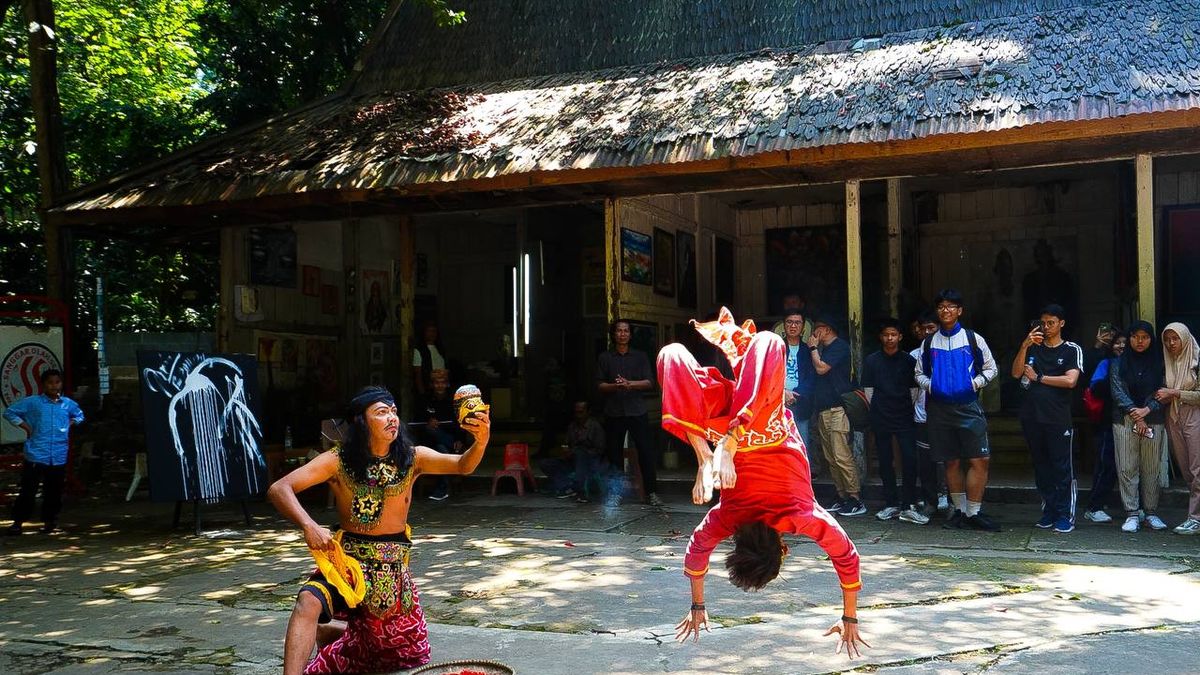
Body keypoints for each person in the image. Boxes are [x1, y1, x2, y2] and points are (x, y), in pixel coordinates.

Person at [658, 309, 867, 658]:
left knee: (770, 342)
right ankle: (703, 452)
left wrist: (850, 616)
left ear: (782, 549)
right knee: (672, 356)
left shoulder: (802, 518)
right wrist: (698, 605)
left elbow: (848, 558)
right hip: (731, 428)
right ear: (737, 545)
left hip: (749, 425)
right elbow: (696, 555)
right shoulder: (728, 518)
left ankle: (708, 455)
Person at [267, 386, 490, 674]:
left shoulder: (414, 457)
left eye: (394, 411)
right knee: (308, 601)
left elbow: (462, 465)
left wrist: (481, 441)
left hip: (392, 571)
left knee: (399, 655)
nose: (392, 418)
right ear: (362, 421)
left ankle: (330, 631)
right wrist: (308, 525)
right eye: (382, 412)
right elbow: (279, 488)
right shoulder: (338, 460)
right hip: (348, 566)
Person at [915, 289, 1000, 532]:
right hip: (939, 409)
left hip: (968, 406)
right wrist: (932, 385)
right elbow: (918, 372)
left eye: (951, 306)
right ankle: (960, 512)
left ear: (960, 311)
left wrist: (974, 384)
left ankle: (974, 512)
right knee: (950, 462)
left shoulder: (974, 339)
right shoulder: (929, 342)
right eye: (941, 306)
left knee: (980, 459)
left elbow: (990, 368)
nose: (946, 310)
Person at [1010, 304, 1083, 533]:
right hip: (1032, 416)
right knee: (1041, 467)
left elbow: (1071, 381)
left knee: (1062, 467)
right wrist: (1025, 344)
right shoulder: (1034, 347)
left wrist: (1040, 377)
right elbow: (1015, 373)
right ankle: (1049, 510)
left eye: (1051, 323)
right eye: (1043, 323)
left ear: (1061, 323)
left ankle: (1065, 514)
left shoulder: (1071, 350)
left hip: (1057, 417)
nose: (1047, 327)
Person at [3, 369, 84, 535]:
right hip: (36, 453)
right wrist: (25, 426)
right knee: (28, 490)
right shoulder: (34, 402)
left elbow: (79, 415)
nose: (54, 386)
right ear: (43, 385)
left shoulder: (68, 403)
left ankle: (50, 521)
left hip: (58, 454)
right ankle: (18, 522)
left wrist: (71, 423)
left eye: (57, 382)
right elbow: (9, 412)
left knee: (53, 490)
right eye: (50, 382)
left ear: (61, 384)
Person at [862, 318, 927, 525]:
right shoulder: (872, 361)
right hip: (880, 415)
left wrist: (902, 407)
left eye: (894, 334)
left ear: (900, 337)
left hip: (904, 415)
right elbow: (869, 390)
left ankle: (908, 504)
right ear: (881, 337)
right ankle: (890, 503)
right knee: (884, 460)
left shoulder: (909, 361)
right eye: (886, 334)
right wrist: (879, 408)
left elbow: (914, 391)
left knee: (909, 459)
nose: (890, 338)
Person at [1110, 321, 1168, 533]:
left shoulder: (1160, 363)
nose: (1139, 341)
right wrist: (1137, 414)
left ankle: (1151, 513)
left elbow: (1163, 391)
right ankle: (1132, 513)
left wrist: (1147, 410)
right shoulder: (1118, 363)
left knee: (1151, 467)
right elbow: (1117, 392)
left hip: (1154, 419)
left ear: (1151, 339)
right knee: (1126, 467)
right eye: (1135, 336)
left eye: (1144, 337)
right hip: (1125, 420)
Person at [596, 319, 660, 507]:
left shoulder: (640, 357)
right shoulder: (605, 358)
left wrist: (630, 384)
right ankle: (615, 495)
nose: (622, 334)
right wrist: (616, 386)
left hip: (637, 410)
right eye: (619, 331)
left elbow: (650, 382)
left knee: (646, 452)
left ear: (630, 335)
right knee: (613, 455)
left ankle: (652, 493)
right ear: (613, 334)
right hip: (614, 412)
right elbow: (599, 385)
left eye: (626, 331)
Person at [809, 316, 865, 517]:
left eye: (817, 328)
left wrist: (813, 349)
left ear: (827, 329)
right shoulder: (826, 349)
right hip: (824, 409)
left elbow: (821, 368)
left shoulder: (839, 347)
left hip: (839, 409)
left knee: (842, 455)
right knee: (830, 457)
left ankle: (855, 497)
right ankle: (841, 495)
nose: (814, 333)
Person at [1155, 323, 1200, 535]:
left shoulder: (1197, 360)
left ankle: (1195, 518)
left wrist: (1174, 393)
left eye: (1175, 338)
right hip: (1173, 417)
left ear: (1185, 338)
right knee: (1186, 470)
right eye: (1167, 339)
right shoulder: (1165, 362)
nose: (1171, 343)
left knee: (1197, 469)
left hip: (1195, 416)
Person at [1082, 332, 1125, 523]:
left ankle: (1138, 508)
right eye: (1117, 343)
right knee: (1106, 465)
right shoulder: (1105, 363)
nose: (1121, 346)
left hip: (1133, 421)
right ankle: (1094, 506)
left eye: (1125, 343)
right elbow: (1095, 388)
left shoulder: (1139, 363)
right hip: (1107, 421)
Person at [909, 312, 946, 514]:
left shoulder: (950, 351)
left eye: (931, 328)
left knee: (950, 460)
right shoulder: (914, 356)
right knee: (926, 462)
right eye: (923, 329)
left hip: (947, 414)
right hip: (922, 414)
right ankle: (930, 500)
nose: (927, 333)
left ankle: (950, 500)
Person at [537, 401, 607, 502]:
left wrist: (581, 452)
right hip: (573, 459)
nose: (578, 416)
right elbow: (567, 443)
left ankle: (579, 489)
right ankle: (567, 486)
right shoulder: (572, 426)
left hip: (589, 460)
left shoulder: (595, 427)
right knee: (545, 463)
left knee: (581, 455)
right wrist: (566, 450)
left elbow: (600, 449)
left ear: (588, 412)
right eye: (576, 412)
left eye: (581, 412)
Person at [413, 372, 463, 501]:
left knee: (440, 443)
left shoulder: (453, 401)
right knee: (440, 447)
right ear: (431, 384)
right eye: (436, 382)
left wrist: (459, 439)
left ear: (447, 384)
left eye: (442, 382)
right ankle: (443, 489)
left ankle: (441, 490)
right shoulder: (425, 400)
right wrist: (428, 420)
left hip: (452, 440)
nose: (439, 385)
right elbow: (417, 421)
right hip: (430, 444)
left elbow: (460, 423)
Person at [781, 310, 816, 448]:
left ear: (803, 327)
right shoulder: (777, 347)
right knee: (781, 446)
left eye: (797, 322)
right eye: (789, 322)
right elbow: (769, 375)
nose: (793, 326)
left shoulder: (807, 350)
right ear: (784, 325)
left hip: (800, 403)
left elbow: (812, 378)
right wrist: (783, 392)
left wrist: (794, 394)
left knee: (802, 444)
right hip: (778, 403)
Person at [411, 319, 447, 399]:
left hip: (441, 388)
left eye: (434, 331)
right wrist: (422, 393)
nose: (432, 334)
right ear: (424, 333)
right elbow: (418, 374)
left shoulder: (440, 349)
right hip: (428, 388)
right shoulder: (419, 350)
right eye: (429, 331)